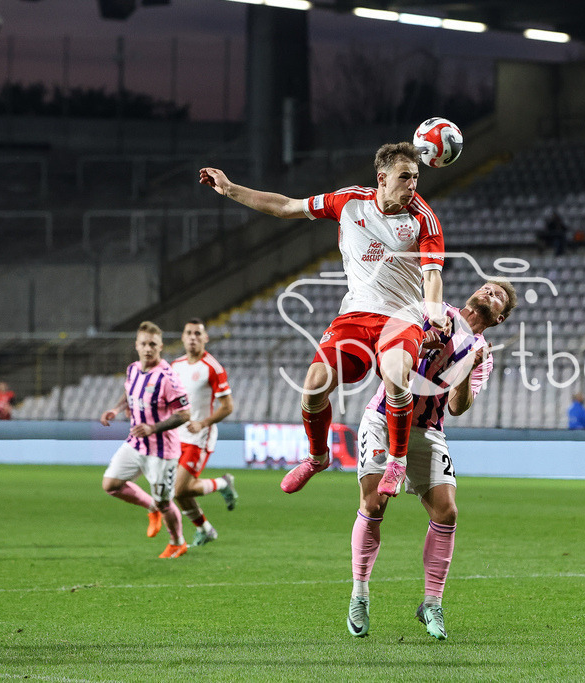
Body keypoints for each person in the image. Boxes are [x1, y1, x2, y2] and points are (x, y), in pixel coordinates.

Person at [200, 142, 450, 499]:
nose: (412, 185)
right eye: (405, 177)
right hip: (355, 314)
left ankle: (396, 461)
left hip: (402, 317)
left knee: (396, 374)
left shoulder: (423, 220)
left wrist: (436, 320)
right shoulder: (348, 201)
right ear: (382, 178)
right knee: (314, 385)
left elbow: (432, 277)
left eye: (416, 177)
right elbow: (286, 207)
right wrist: (229, 189)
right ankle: (318, 457)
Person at [348, 279, 517, 640]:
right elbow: (392, 354)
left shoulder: (483, 353)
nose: (490, 293)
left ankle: (432, 603)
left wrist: (470, 366)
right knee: (374, 504)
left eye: (498, 296)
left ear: (500, 318)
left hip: (428, 430)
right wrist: (422, 340)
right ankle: (359, 594)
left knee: (447, 511)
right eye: (488, 287)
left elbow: (457, 407)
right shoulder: (434, 314)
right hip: (384, 417)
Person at [100, 321, 190, 558]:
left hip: (162, 452)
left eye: (153, 344)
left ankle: (177, 542)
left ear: (161, 346)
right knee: (110, 485)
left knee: (165, 502)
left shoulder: (168, 378)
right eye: (143, 344)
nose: (148, 348)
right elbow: (129, 392)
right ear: (136, 345)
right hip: (136, 444)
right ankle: (151, 507)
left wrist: (153, 428)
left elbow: (185, 414)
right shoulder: (132, 369)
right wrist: (116, 409)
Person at [171, 318, 238, 547]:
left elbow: (228, 406)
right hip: (176, 435)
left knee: (179, 489)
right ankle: (205, 529)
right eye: (189, 333)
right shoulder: (175, 366)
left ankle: (222, 484)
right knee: (179, 492)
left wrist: (202, 423)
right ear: (182, 337)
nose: (193, 337)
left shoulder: (213, 367)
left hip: (199, 436)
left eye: (198, 334)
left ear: (205, 338)